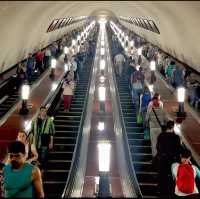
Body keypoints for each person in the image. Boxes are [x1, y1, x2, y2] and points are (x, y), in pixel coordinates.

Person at [156, 120, 183, 197]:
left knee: (161, 176)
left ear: (167, 126)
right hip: (172, 161)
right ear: (172, 127)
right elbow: (179, 150)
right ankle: (170, 192)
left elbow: (157, 147)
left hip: (162, 160)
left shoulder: (161, 135)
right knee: (171, 177)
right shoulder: (176, 137)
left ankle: (160, 191)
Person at [30, 106, 55, 171]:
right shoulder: (34, 120)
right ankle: (38, 172)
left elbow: (52, 133)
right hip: (36, 142)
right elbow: (32, 131)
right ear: (40, 112)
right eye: (42, 111)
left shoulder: (49, 120)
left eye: (45, 111)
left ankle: (43, 171)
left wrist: (51, 142)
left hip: (45, 141)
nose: (44, 112)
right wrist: (31, 142)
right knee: (37, 158)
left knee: (44, 158)